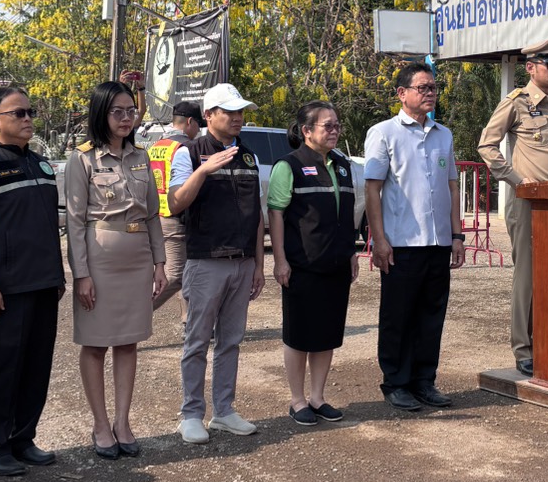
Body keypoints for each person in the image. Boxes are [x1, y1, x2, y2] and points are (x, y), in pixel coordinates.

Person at [0, 87, 64, 476]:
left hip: (43, 282)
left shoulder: (41, 164)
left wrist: (57, 274)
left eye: (29, 111)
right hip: (5, 287)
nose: (27, 118)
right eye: (17, 113)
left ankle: (23, 438)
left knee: (36, 365)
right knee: (0, 366)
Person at [66, 81, 166, 459]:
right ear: (100, 114)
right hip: (100, 260)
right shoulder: (83, 159)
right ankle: (100, 424)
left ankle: (123, 422)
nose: (126, 118)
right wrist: (81, 274)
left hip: (137, 258)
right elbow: (75, 222)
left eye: (130, 111)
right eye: (117, 111)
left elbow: (154, 214)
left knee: (128, 342)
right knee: (95, 344)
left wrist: (159, 262)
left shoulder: (141, 157)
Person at [166, 82, 265, 444]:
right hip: (206, 261)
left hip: (242, 262)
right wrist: (204, 171)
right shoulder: (189, 153)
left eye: (241, 112)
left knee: (231, 341)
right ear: (209, 116)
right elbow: (176, 203)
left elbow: (256, 215)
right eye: (230, 112)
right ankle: (192, 413)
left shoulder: (248, 155)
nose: (238, 118)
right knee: (197, 341)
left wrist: (258, 265)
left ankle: (224, 411)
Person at [365, 63, 465, 411]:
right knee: (399, 316)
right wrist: (379, 239)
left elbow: (452, 187)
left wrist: (457, 235)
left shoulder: (444, 134)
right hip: (401, 243)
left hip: (437, 242)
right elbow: (373, 189)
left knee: (431, 315)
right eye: (423, 88)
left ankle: (425, 380)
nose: (430, 93)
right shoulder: (384, 133)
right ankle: (396, 382)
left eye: (434, 88)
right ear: (401, 93)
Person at [477, 34, 548, 377]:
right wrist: (517, 180)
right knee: (529, 277)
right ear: (531, 68)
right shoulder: (516, 102)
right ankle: (523, 347)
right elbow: (486, 146)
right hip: (529, 202)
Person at [269, 101, 359, 425]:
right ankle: (297, 400)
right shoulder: (289, 166)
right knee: (300, 334)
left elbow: (345, 216)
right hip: (302, 264)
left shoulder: (343, 165)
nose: (334, 130)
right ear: (307, 131)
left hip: (336, 263)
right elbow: (276, 212)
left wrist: (350, 253)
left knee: (327, 333)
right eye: (327, 126)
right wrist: (280, 260)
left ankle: (318, 397)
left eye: (337, 124)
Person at [148, 100, 203, 325]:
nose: (199, 130)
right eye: (198, 125)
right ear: (189, 122)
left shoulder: (157, 145)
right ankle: (135, 313)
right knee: (176, 274)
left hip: (156, 215)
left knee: (187, 269)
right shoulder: (185, 148)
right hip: (175, 216)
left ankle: (188, 318)